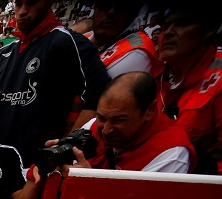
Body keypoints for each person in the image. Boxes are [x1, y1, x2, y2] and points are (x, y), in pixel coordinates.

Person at [0, 0, 110, 169]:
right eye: (18, 4)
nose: (23, 11)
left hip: (37, 170)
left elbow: (99, 95)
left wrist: (65, 144)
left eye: (30, 3)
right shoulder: (3, 54)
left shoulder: (68, 42)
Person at [61, 72, 195, 173]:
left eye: (118, 120)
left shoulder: (170, 153)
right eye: (102, 118)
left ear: (150, 110)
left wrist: (87, 181)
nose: (106, 130)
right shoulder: (93, 127)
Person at [157, 3, 222, 174]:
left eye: (183, 23)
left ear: (209, 29)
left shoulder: (219, 79)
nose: (169, 32)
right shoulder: (151, 74)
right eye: (166, 25)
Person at [85, 0, 161, 78]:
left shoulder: (136, 52)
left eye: (120, 7)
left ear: (133, 14)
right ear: (94, 9)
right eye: (105, 5)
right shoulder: (85, 37)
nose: (111, 12)